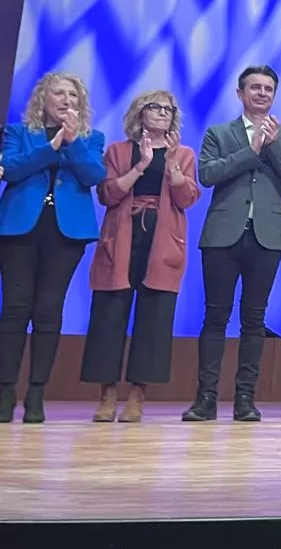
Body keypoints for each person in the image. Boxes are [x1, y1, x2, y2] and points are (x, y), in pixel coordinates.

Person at [184, 65, 281, 423]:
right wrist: (251, 149)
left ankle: (245, 398)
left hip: (267, 237)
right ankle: (205, 398)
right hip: (223, 235)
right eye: (255, 87)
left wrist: (273, 147)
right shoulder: (219, 133)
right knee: (215, 317)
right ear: (240, 93)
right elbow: (207, 174)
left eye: (268, 88)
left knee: (254, 320)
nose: (262, 93)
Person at [82, 91, 197, 423]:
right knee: (109, 314)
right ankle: (106, 395)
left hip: (162, 240)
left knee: (155, 319)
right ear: (139, 112)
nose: (162, 113)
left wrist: (173, 170)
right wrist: (142, 166)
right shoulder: (119, 151)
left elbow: (187, 198)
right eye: (155, 107)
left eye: (168, 110)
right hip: (122, 235)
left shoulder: (184, 153)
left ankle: (137, 396)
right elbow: (107, 193)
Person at [0, 73, 106, 423]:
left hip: (66, 232)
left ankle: (35, 394)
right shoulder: (19, 133)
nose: (66, 100)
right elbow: (11, 170)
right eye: (58, 93)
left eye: (72, 95)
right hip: (19, 228)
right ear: (42, 98)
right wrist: (53, 146)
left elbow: (93, 175)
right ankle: (4, 392)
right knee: (16, 308)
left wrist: (72, 142)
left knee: (48, 310)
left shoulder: (91, 138)